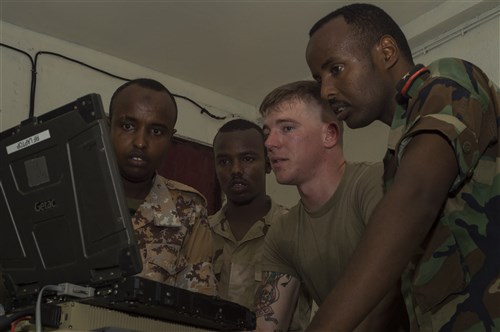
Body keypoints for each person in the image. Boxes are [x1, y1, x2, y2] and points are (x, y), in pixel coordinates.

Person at [305, 3, 500, 331]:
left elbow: (415, 198)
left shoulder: (445, 80)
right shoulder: (398, 158)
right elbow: (393, 292)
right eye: (318, 79)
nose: (326, 91)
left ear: (386, 51)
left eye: (335, 69)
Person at [254, 80, 408, 332]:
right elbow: (267, 326)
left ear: (329, 134)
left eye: (287, 128)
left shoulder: (376, 184)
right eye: (267, 132)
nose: (270, 143)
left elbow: (389, 296)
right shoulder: (283, 230)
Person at [109, 78, 216, 295]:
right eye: (128, 126)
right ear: (106, 126)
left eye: (156, 131)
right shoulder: (72, 195)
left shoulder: (188, 209)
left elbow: (198, 305)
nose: (140, 142)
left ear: (171, 139)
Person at [209, 118, 312, 331]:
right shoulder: (200, 231)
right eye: (224, 161)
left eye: (247, 158)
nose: (236, 170)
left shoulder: (298, 229)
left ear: (268, 163)